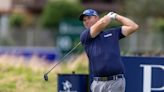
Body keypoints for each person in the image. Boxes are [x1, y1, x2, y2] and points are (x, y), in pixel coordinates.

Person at [79, 9, 139, 92]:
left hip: (116, 81)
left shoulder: (112, 33)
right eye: (84, 20)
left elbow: (133, 27)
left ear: (96, 18)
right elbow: (103, 23)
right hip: (97, 83)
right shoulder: (85, 36)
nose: (86, 21)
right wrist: (107, 17)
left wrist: (116, 16)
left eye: (88, 18)